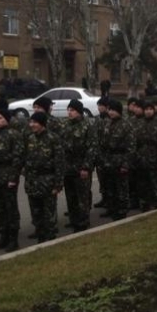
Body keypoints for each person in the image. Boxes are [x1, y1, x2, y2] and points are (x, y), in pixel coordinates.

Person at [0, 108, 24, 252]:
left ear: (7, 119)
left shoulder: (14, 135)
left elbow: (17, 158)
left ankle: (13, 239)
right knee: (0, 209)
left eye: (0, 118)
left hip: (8, 176)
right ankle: (4, 237)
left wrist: (13, 177)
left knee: (10, 209)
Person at [23, 111, 65, 243]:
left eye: (35, 122)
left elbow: (59, 163)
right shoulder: (30, 138)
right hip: (32, 183)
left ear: (42, 124)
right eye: (31, 122)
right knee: (36, 213)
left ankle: (50, 240)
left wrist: (57, 184)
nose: (32, 125)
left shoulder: (53, 139)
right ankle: (40, 237)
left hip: (47, 182)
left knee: (49, 214)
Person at [97, 99, 134, 221]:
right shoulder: (107, 123)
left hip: (120, 160)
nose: (111, 112)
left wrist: (125, 164)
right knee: (110, 187)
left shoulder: (126, 125)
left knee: (121, 188)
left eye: (114, 110)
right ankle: (111, 209)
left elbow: (131, 147)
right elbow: (102, 142)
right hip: (108, 161)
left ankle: (122, 210)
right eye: (110, 110)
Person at [62, 99, 96, 233]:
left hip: (81, 166)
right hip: (68, 167)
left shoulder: (87, 126)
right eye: (68, 110)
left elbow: (91, 148)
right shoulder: (66, 125)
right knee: (71, 196)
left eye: (73, 110)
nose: (70, 113)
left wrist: (86, 167)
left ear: (79, 112)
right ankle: (73, 219)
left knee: (82, 196)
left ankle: (83, 221)